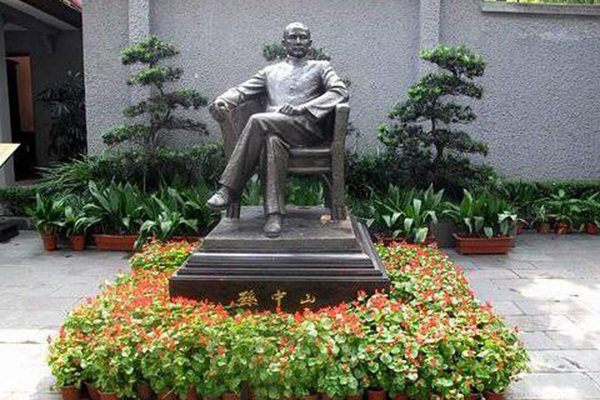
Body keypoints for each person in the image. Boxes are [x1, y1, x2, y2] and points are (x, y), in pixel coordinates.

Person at [207, 22, 348, 237]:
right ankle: (274, 216)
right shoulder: (270, 72)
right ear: (284, 43)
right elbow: (241, 91)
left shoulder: (321, 67)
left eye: (303, 37)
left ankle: (229, 189)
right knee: (272, 142)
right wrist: (223, 100)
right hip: (273, 129)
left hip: (305, 129)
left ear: (310, 43)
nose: (298, 41)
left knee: (258, 121)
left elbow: (340, 91)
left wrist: (303, 108)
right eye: (293, 37)